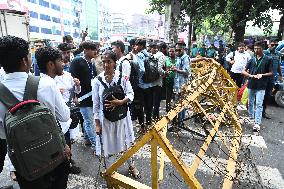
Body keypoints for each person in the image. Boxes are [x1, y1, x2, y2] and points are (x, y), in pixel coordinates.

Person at [0, 36, 71, 189]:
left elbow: (2, 134)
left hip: (25, 164)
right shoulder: (46, 84)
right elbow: (65, 116)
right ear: (25, 60)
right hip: (55, 155)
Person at [92, 50, 140, 178]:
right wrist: (97, 124)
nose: (106, 65)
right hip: (106, 120)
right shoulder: (97, 81)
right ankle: (110, 171)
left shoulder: (123, 77)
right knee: (108, 146)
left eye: (109, 62)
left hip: (122, 117)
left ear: (114, 63)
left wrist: (120, 102)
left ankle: (132, 165)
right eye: (104, 62)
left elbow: (131, 94)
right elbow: (96, 104)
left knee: (126, 143)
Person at [55, 45, 82, 174]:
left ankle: (68, 161)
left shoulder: (68, 75)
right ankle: (63, 164)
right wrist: (55, 91)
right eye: (62, 56)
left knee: (68, 137)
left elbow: (76, 91)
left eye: (68, 53)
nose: (66, 57)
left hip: (68, 109)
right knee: (60, 139)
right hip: (56, 112)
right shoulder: (49, 78)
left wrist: (77, 85)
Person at [70, 41, 98, 151]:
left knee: (89, 120)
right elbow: (72, 79)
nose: (96, 51)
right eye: (93, 49)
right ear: (86, 50)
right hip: (81, 96)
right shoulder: (77, 61)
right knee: (89, 121)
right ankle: (97, 147)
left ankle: (87, 139)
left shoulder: (91, 62)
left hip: (92, 96)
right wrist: (74, 97)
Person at [242, 41, 272, 132]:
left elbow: (271, 72)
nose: (256, 50)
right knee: (250, 102)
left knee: (259, 104)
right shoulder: (251, 59)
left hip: (261, 85)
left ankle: (257, 123)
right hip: (251, 84)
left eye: (258, 48)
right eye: (255, 48)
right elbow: (243, 71)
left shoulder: (268, 59)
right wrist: (250, 76)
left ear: (262, 48)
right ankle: (251, 117)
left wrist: (262, 75)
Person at [263, 39, 283, 119]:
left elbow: (278, 65)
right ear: (268, 45)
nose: (274, 46)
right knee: (260, 94)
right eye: (272, 45)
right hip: (263, 77)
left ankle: (263, 111)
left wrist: (280, 75)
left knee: (267, 95)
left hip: (272, 78)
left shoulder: (278, 54)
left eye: (275, 44)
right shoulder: (264, 53)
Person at [149, 42, 166, 120]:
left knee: (151, 100)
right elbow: (159, 69)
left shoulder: (152, 55)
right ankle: (155, 118)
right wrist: (165, 73)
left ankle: (151, 117)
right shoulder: (162, 56)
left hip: (150, 81)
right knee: (156, 102)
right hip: (157, 82)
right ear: (163, 49)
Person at [164, 45, 176, 112]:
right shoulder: (166, 59)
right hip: (168, 80)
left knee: (175, 97)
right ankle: (167, 110)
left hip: (176, 81)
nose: (171, 53)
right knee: (168, 96)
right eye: (170, 51)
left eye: (172, 51)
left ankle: (174, 110)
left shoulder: (178, 60)